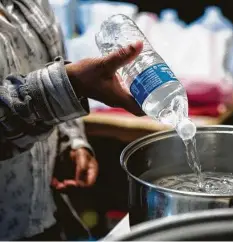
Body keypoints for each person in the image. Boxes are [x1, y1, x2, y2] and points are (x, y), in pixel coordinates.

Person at [0, 0, 143, 240]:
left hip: (45, 216)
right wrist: (71, 85)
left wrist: (71, 142)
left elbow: (53, 64)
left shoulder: (30, 4)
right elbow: (62, 81)